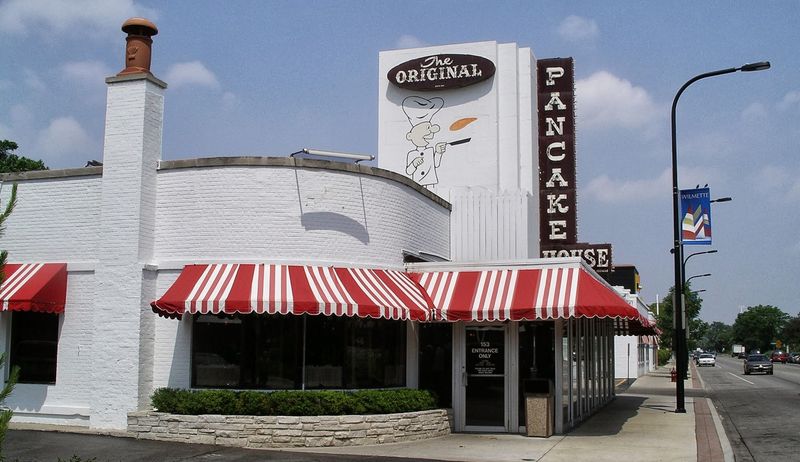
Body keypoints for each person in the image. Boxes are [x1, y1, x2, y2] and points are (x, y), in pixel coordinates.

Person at [402, 96, 447, 187]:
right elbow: (408, 171)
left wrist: (438, 152)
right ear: (410, 136)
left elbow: (436, 164)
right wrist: (414, 164)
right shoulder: (412, 154)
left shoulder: (430, 150)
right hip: (417, 186)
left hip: (431, 184)